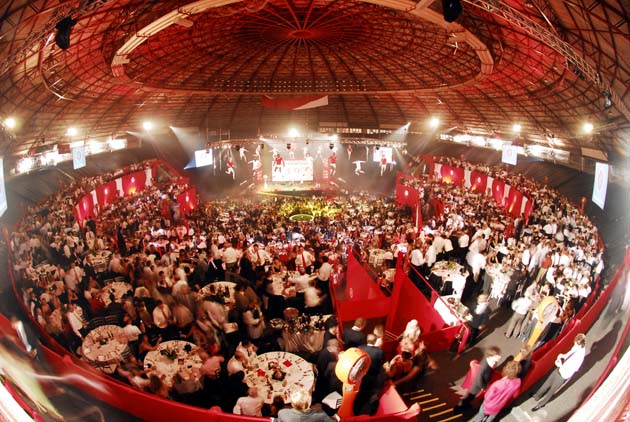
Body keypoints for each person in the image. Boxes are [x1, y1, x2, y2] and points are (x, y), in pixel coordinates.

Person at [532, 333, 586, 411]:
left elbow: (574, 369)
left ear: (580, 344)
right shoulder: (576, 346)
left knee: (552, 390)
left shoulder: (580, 356)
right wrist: (562, 355)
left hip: (564, 374)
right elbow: (570, 353)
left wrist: (561, 365)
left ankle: (541, 404)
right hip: (560, 367)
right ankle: (537, 395)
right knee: (548, 382)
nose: (574, 345)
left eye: (576, 344)